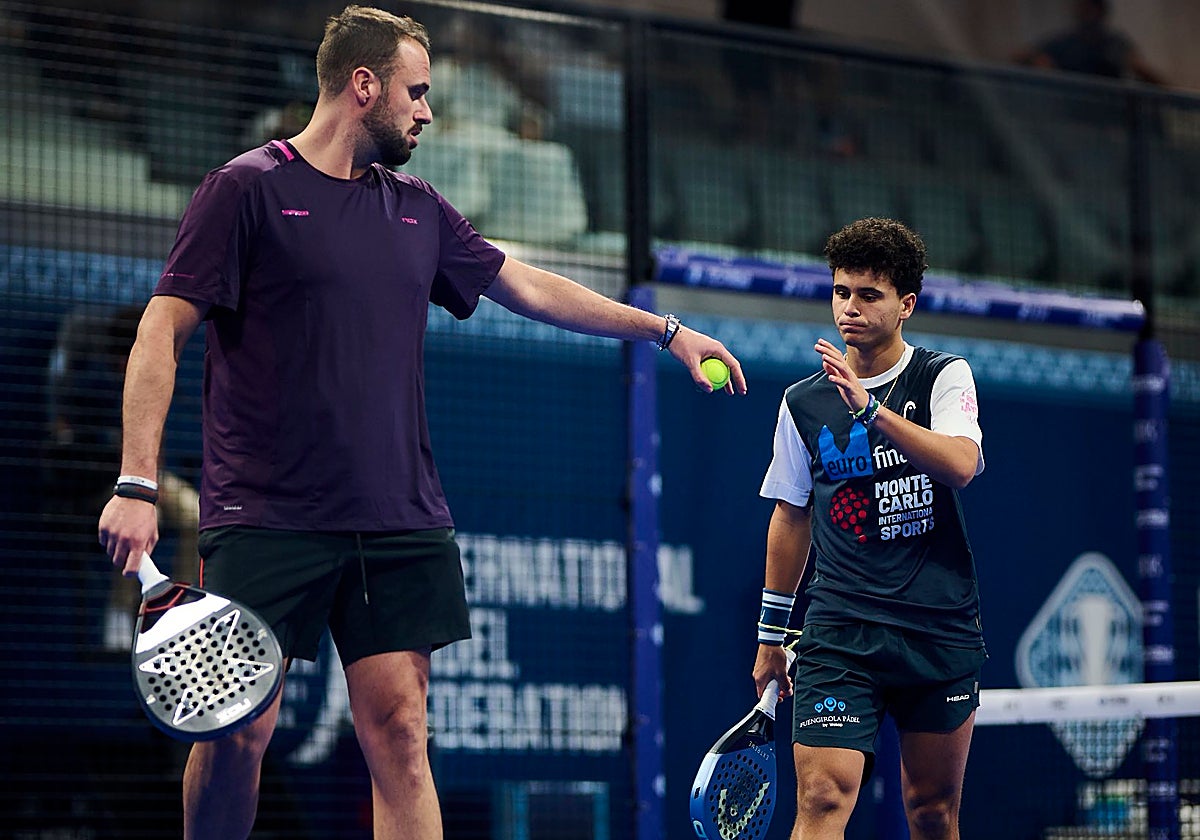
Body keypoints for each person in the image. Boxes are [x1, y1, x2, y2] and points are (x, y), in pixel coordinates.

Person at [96, 6, 744, 839]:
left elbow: (531, 285)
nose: (427, 112)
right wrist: (137, 482)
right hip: (267, 515)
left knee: (401, 735)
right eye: (417, 92)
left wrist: (667, 331)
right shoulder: (245, 189)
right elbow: (161, 330)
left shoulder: (418, 208)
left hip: (399, 521)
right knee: (237, 732)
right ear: (364, 87)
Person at [753, 217, 985, 840]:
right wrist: (771, 634)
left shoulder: (942, 376)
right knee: (824, 797)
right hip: (840, 631)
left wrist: (871, 410)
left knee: (931, 812)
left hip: (936, 629)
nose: (849, 308)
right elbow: (790, 514)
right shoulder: (803, 402)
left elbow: (963, 465)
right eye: (841, 292)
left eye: (868, 295)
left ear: (906, 304)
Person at [42, 304, 199, 651]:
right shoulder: (91, 389)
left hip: (155, 482)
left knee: (196, 513)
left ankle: (183, 606)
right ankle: (120, 612)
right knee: (141, 523)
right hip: (104, 484)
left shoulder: (159, 384)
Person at [1013, 0, 1167, 85]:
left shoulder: (1116, 43)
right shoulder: (1065, 43)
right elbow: (1025, 56)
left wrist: (1170, 90)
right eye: (1082, 10)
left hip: (1109, 111)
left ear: (1100, 12)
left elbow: (1141, 68)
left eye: (1089, 10)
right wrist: (1039, 63)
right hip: (1073, 113)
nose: (1085, 16)